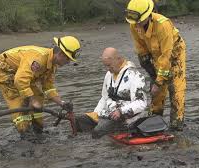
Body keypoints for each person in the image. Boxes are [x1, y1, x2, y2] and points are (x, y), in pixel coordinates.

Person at [0, 36, 81, 138]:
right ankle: (25, 133)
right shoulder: (39, 59)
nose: (68, 62)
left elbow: (48, 87)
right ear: (60, 54)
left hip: (20, 74)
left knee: (38, 96)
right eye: (68, 58)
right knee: (20, 100)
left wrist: (61, 103)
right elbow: (20, 80)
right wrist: (32, 100)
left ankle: (38, 129)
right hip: (3, 71)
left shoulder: (52, 65)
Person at [125, 0, 187, 130]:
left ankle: (177, 124)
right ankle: (155, 119)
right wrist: (153, 75)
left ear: (148, 15)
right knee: (156, 92)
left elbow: (166, 55)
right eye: (135, 22)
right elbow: (140, 48)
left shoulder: (163, 25)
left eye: (139, 21)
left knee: (176, 89)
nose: (137, 24)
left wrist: (159, 82)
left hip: (174, 54)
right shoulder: (134, 25)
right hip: (155, 55)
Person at [75, 47, 147, 138]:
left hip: (126, 118)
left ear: (118, 59)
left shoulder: (135, 76)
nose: (107, 69)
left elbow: (141, 103)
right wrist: (96, 112)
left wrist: (121, 112)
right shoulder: (109, 74)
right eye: (105, 66)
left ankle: (98, 148)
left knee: (98, 131)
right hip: (108, 114)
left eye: (109, 65)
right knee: (79, 121)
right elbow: (104, 97)